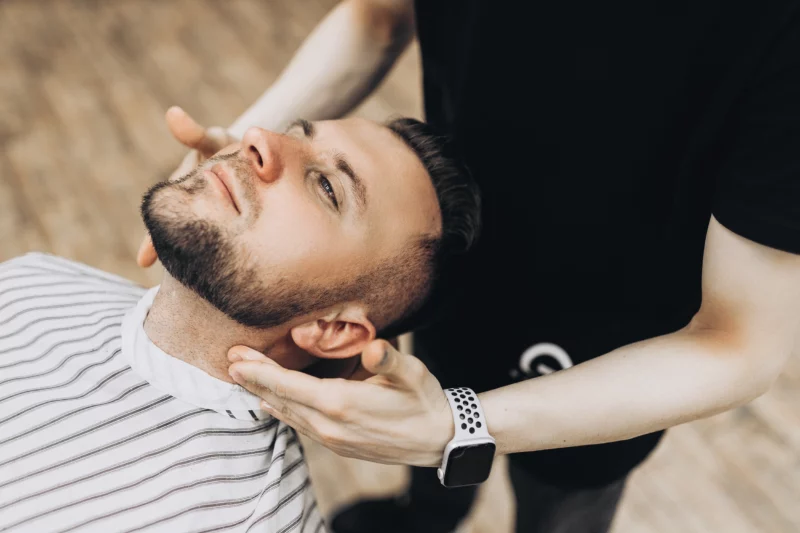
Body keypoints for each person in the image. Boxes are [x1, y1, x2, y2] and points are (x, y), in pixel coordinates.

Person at [139, 1, 800, 532]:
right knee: (420, 414)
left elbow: (739, 341)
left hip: (617, 341)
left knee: (565, 504)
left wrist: (461, 425)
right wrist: (237, 172)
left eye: (329, 185)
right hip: (444, 258)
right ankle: (423, 514)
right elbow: (379, 14)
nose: (263, 140)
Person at [0, 115, 480, 533]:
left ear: (333, 330)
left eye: (327, 187)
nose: (257, 137)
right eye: (294, 133)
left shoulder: (251, 518)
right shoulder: (35, 277)